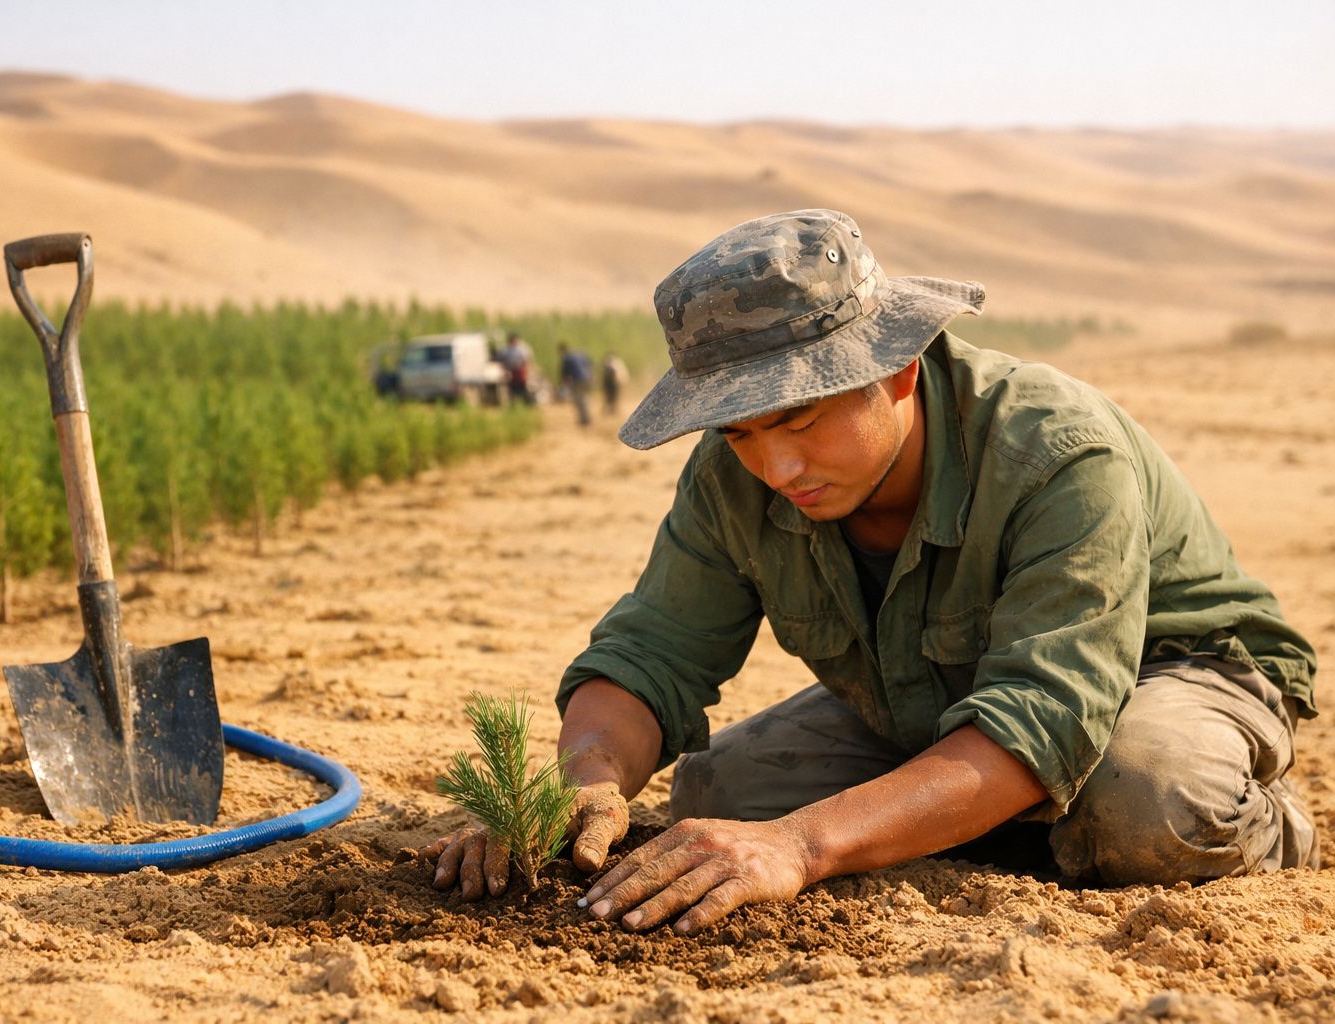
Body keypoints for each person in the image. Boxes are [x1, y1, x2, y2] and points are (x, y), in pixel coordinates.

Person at [418, 209, 1318, 935]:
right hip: (933, 696)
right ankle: (995, 812)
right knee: (716, 795)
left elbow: (1045, 712)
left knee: (1142, 803)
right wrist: (586, 777)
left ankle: (1264, 821)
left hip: (1171, 671)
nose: (776, 468)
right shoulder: (735, 478)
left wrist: (803, 848)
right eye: (740, 432)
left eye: (800, 420)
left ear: (893, 369)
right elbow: (654, 649)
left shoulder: (1055, 451)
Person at [558, 342, 594, 426]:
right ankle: (587, 417)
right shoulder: (579, 354)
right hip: (587, 378)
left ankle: (584, 419)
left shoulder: (566, 358)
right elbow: (589, 363)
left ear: (561, 351)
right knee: (585, 398)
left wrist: (562, 385)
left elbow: (564, 374)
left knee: (579, 399)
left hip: (578, 380)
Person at [498, 332, 535, 405]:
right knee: (512, 389)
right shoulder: (506, 350)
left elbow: (527, 360)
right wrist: (504, 371)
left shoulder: (522, 349)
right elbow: (503, 361)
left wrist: (528, 371)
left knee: (523, 387)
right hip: (511, 371)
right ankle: (513, 404)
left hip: (520, 371)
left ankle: (528, 403)